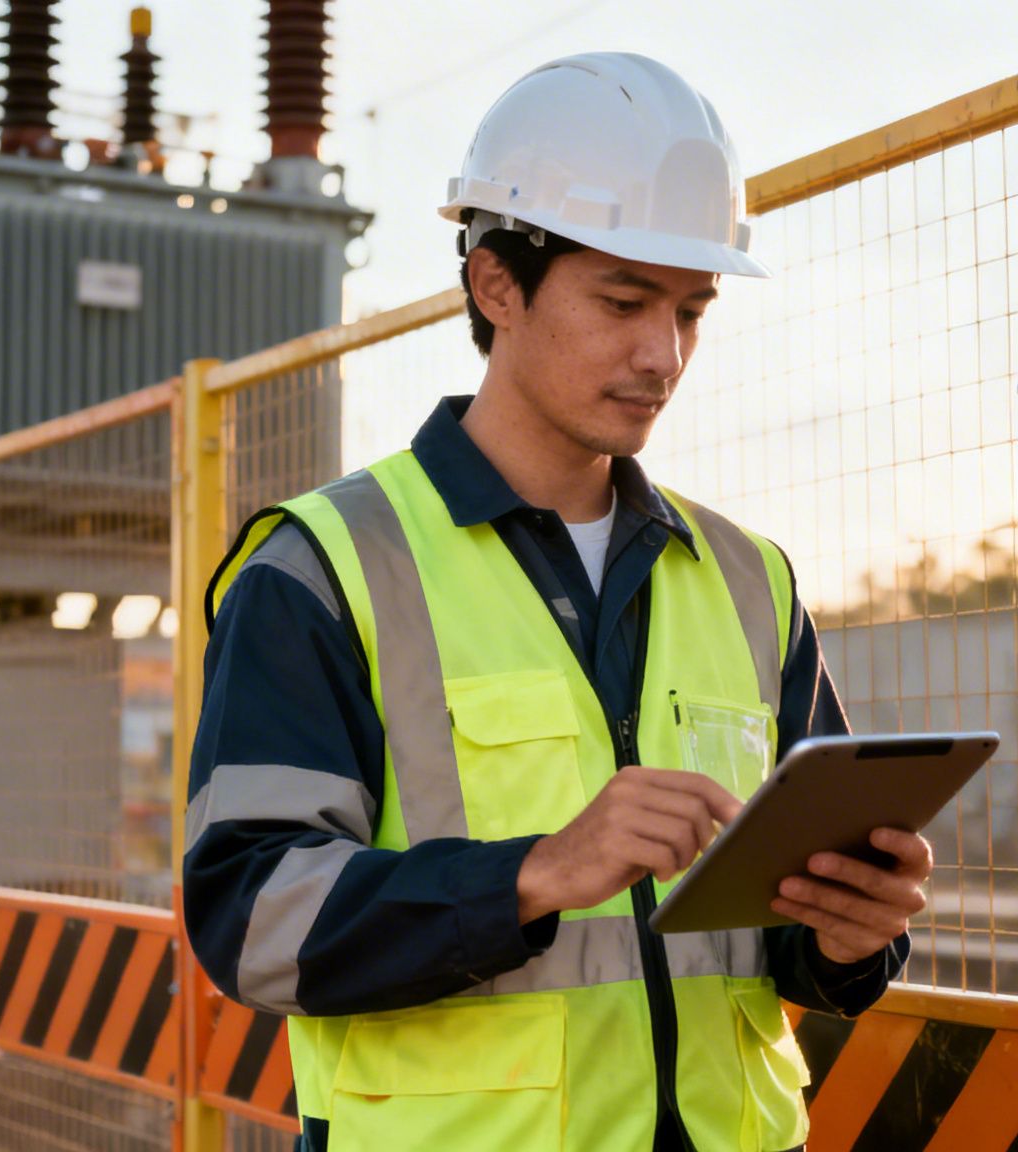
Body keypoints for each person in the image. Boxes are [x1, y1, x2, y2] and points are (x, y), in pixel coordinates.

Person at [183, 52, 931, 1152]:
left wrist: (850, 935)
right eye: (623, 301)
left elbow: (785, 949)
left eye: (690, 310)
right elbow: (251, 924)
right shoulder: (325, 569)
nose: (660, 354)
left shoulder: (746, 578)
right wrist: (533, 875)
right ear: (495, 282)